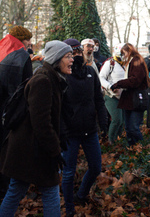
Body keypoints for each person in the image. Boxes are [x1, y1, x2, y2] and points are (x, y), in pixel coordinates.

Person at [0, 40, 73, 217]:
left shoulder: (52, 78)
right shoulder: (43, 80)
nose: (72, 60)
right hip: (32, 150)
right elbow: (41, 123)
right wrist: (55, 151)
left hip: (30, 149)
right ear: (56, 58)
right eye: (68, 56)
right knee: (49, 192)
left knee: (16, 191)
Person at [61, 38, 107, 217]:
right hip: (70, 133)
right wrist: (62, 130)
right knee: (68, 172)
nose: (76, 56)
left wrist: (103, 123)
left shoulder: (90, 71)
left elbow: (98, 99)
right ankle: (70, 207)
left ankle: (81, 195)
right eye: (71, 53)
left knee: (96, 167)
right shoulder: (63, 75)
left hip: (90, 129)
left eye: (78, 52)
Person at [0, 25, 33, 198]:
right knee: (7, 151)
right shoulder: (22, 55)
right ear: (23, 39)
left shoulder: (1, 48)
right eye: (28, 40)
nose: (30, 43)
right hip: (12, 111)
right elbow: (26, 86)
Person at [111, 43, 150, 146]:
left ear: (128, 51)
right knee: (129, 128)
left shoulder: (136, 60)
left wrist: (118, 84)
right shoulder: (133, 61)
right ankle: (133, 149)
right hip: (131, 99)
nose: (123, 56)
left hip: (136, 99)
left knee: (133, 128)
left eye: (124, 53)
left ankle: (142, 148)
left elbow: (135, 80)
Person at [99, 43, 125, 143]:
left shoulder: (126, 64)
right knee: (116, 119)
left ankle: (118, 141)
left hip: (123, 97)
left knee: (121, 121)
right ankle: (111, 141)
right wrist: (110, 87)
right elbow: (101, 78)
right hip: (111, 96)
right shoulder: (110, 63)